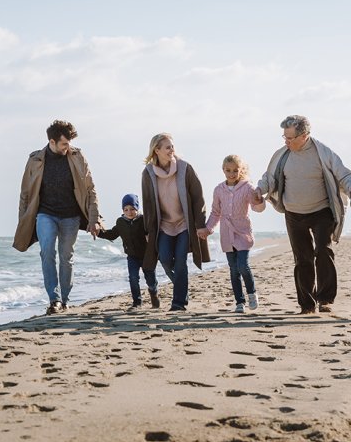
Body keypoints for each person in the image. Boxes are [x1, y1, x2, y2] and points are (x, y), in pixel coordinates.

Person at [253, 115, 351, 314]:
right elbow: (269, 177)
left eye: (290, 138)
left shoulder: (323, 153)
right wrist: (259, 190)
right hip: (294, 213)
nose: (286, 141)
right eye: (284, 137)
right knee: (302, 258)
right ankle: (307, 305)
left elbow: (343, 174)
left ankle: (325, 299)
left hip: (322, 211)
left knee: (323, 251)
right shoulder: (283, 155)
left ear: (304, 135)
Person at [13, 120, 103, 315]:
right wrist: (24, 221)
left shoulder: (78, 157)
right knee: (47, 252)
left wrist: (94, 218)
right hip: (45, 214)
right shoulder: (35, 160)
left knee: (66, 257)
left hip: (71, 216)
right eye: (63, 144)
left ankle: (65, 299)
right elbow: (25, 193)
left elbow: (90, 189)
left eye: (68, 143)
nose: (67, 147)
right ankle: (53, 300)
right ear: (52, 142)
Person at [141, 133, 210, 311]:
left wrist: (200, 224)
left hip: (184, 224)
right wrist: (148, 230)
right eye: (167, 147)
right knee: (164, 258)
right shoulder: (148, 173)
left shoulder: (185, 168)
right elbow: (148, 203)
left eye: (172, 146)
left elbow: (198, 198)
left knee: (180, 261)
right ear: (156, 150)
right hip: (164, 225)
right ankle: (182, 284)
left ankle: (178, 302)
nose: (172, 150)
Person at [201, 155, 265, 313]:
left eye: (235, 170)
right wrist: (208, 229)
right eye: (228, 170)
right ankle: (239, 302)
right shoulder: (218, 190)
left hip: (243, 232)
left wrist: (259, 200)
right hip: (227, 234)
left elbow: (256, 207)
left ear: (240, 170)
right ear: (223, 170)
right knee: (234, 269)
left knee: (243, 265)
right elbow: (215, 213)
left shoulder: (247, 188)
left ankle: (251, 294)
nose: (231, 174)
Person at [98, 193, 160, 309]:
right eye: (126, 209)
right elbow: (111, 235)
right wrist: (98, 232)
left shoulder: (143, 220)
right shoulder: (120, 222)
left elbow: (152, 232)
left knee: (151, 280)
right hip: (132, 256)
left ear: (137, 208)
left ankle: (154, 295)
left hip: (147, 256)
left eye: (132, 209)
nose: (129, 212)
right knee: (133, 278)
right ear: (123, 210)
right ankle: (137, 302)